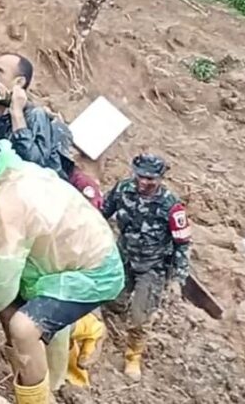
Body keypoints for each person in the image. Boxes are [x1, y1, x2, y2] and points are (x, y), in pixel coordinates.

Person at [0, 128, 124, 404]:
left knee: (24, 328)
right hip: (62, 258)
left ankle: (36, 400)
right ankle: (38, 371)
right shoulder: (13, 170)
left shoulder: (8, 204)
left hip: (93, 270)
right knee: (12, 310)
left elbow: (1, 287)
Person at [102, 153, 191, 381]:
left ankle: (133, 355)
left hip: (152, 267)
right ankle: (114, 317)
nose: (143, 182)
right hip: (123, 257)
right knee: (112, 300)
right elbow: (102, 212)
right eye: (140, 176)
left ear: (160, 179)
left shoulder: (171, 206)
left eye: (150, 179)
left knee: (140, 317)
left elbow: (182, 244)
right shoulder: (123, 189)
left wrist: (178, 278)